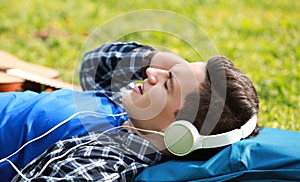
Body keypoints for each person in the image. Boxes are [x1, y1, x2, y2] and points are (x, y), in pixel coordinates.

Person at [1, 41, 259, 181]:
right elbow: (93, 65)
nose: (150, 73)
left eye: (167, 83)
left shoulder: (102, 159)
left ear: (179, 132)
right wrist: (156, 59)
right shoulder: (129, 108)